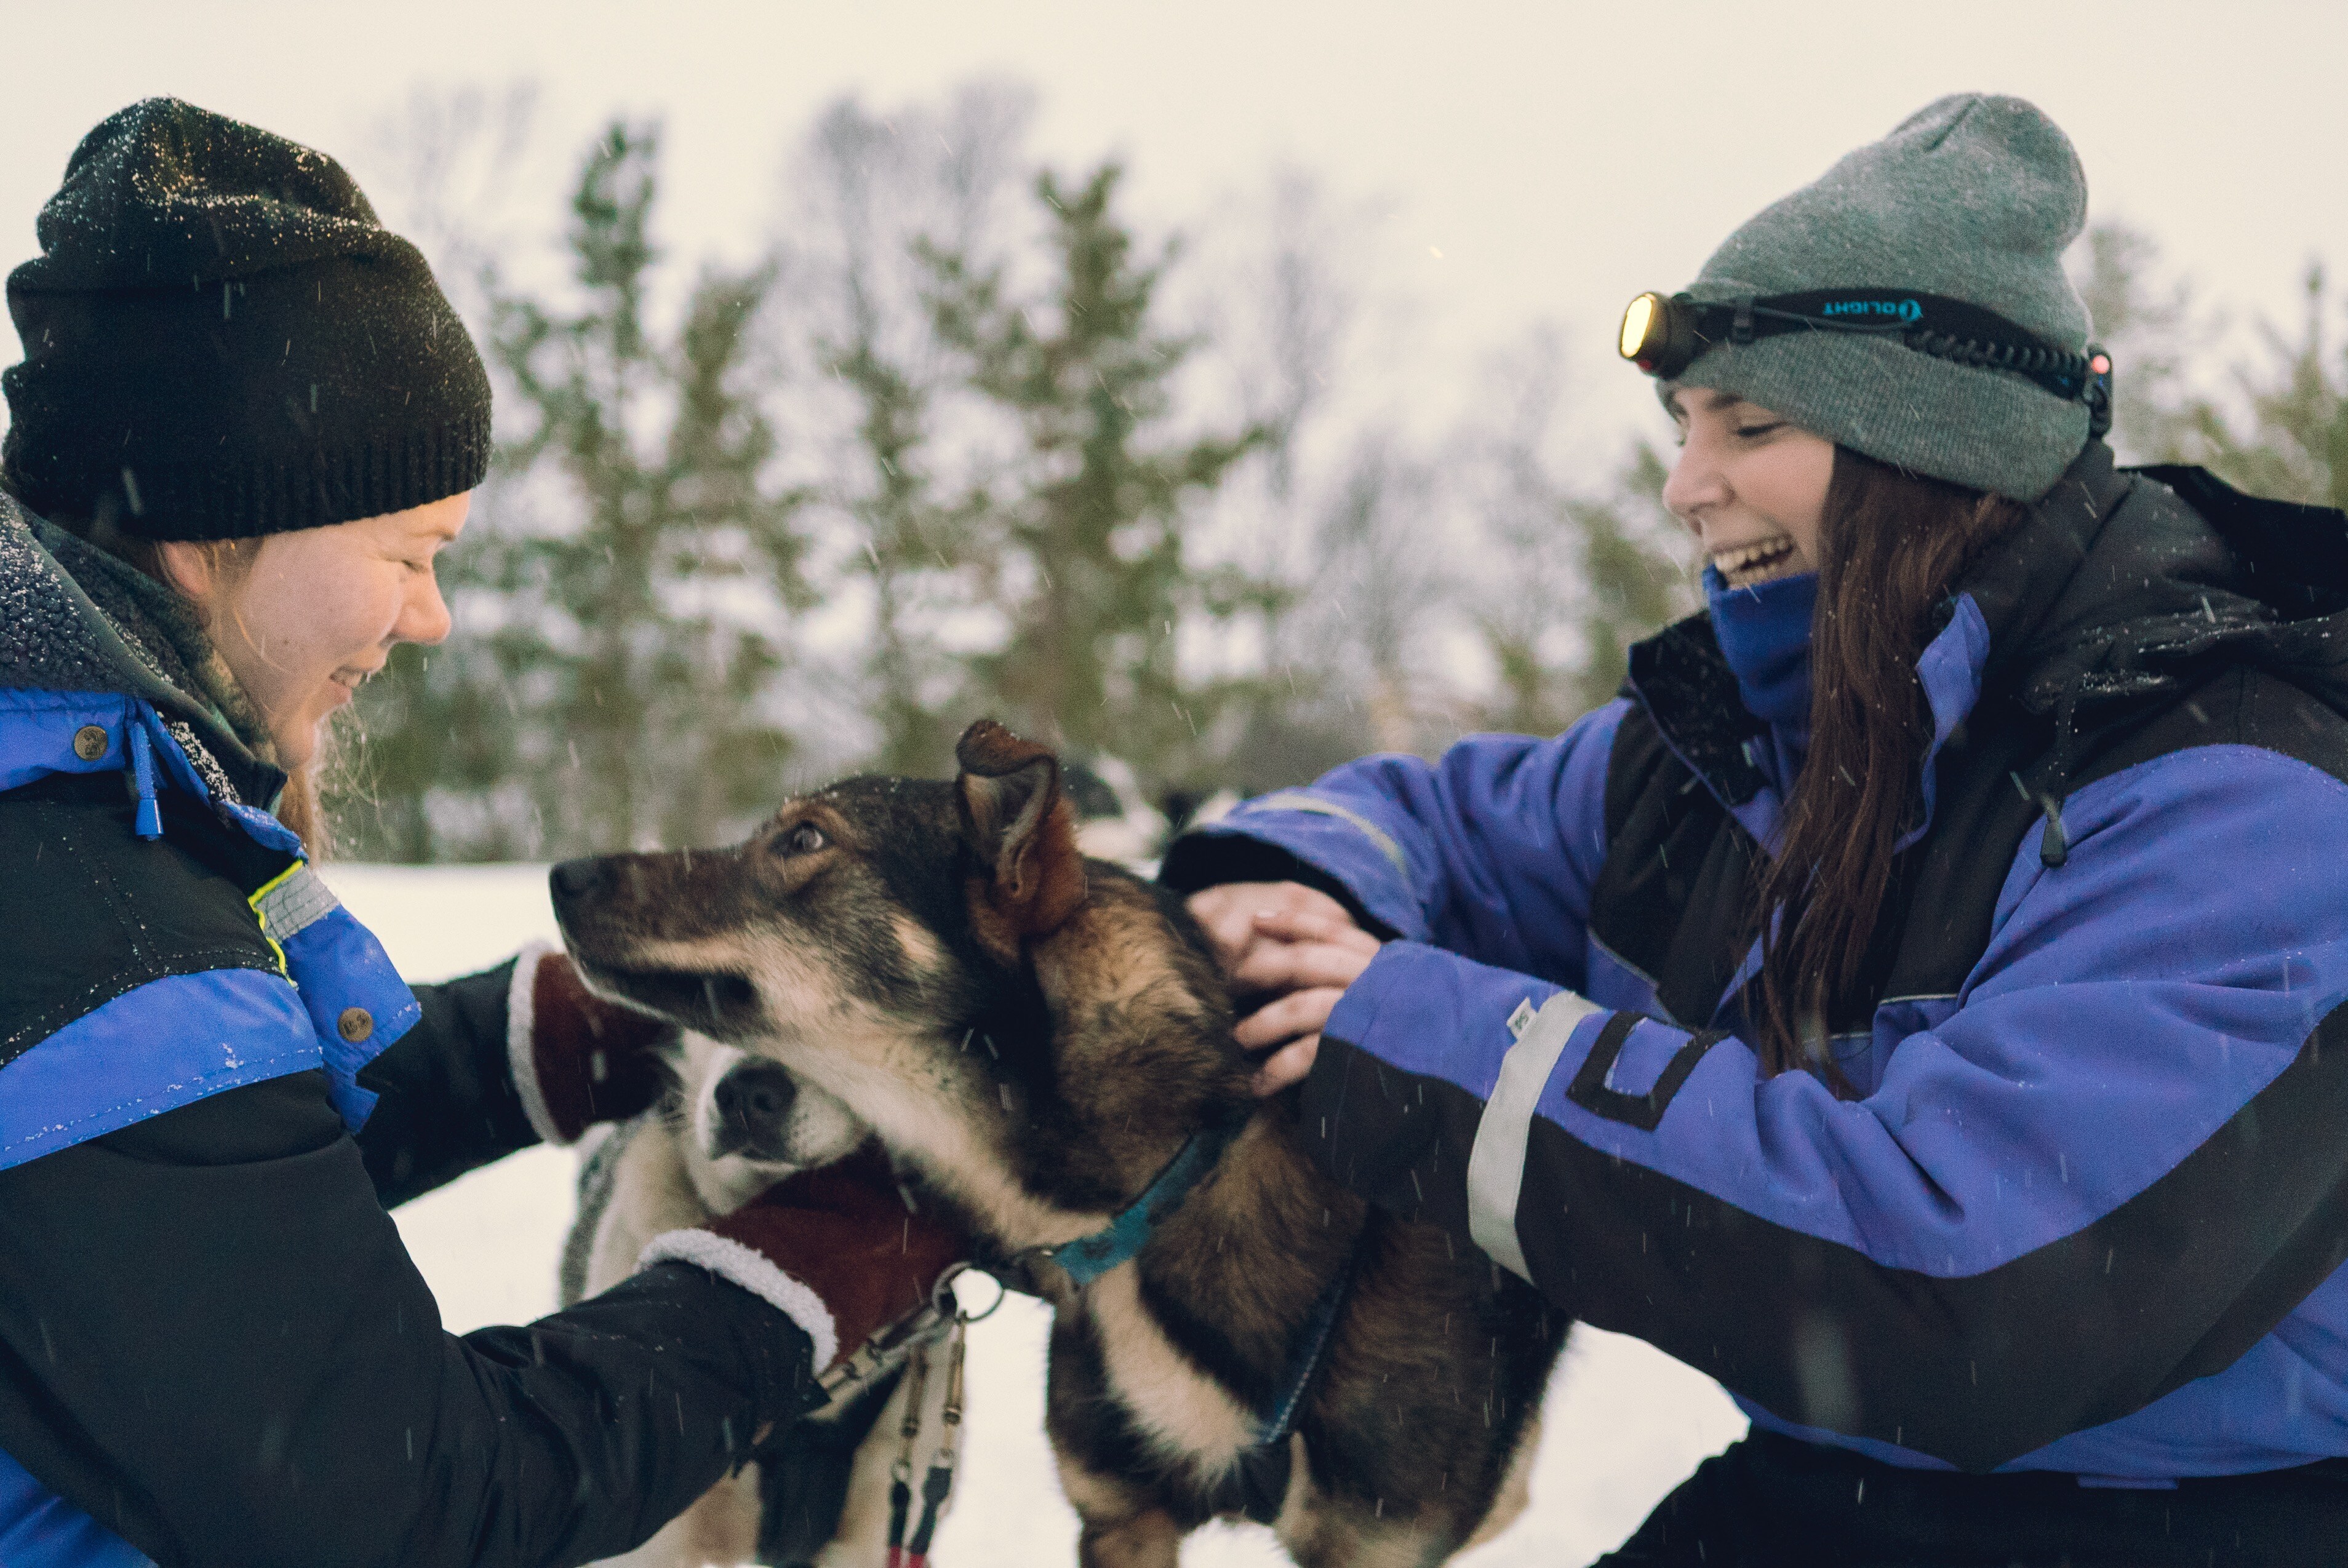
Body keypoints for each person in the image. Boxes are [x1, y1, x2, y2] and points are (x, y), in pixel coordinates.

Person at [1168, 94, 2348, 1564]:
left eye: (1753, 425)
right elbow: (1453, 829)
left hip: (2202, 1522)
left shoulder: (2239, 788)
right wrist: (1266, 890)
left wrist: (1438, 1051)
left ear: (1937, 442)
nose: (1684, 488)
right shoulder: (1744, 753)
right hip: (1825, 1493)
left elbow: (1969, 1281)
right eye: (1682, 427)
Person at [0, 100, 959, 1568]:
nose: (430, 617)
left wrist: (553, 1036)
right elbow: (404, 1501)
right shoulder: (83, 913)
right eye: (406, 553)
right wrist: (802, 1276)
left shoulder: (81, 819)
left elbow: (192, 1208)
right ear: (207, 528)